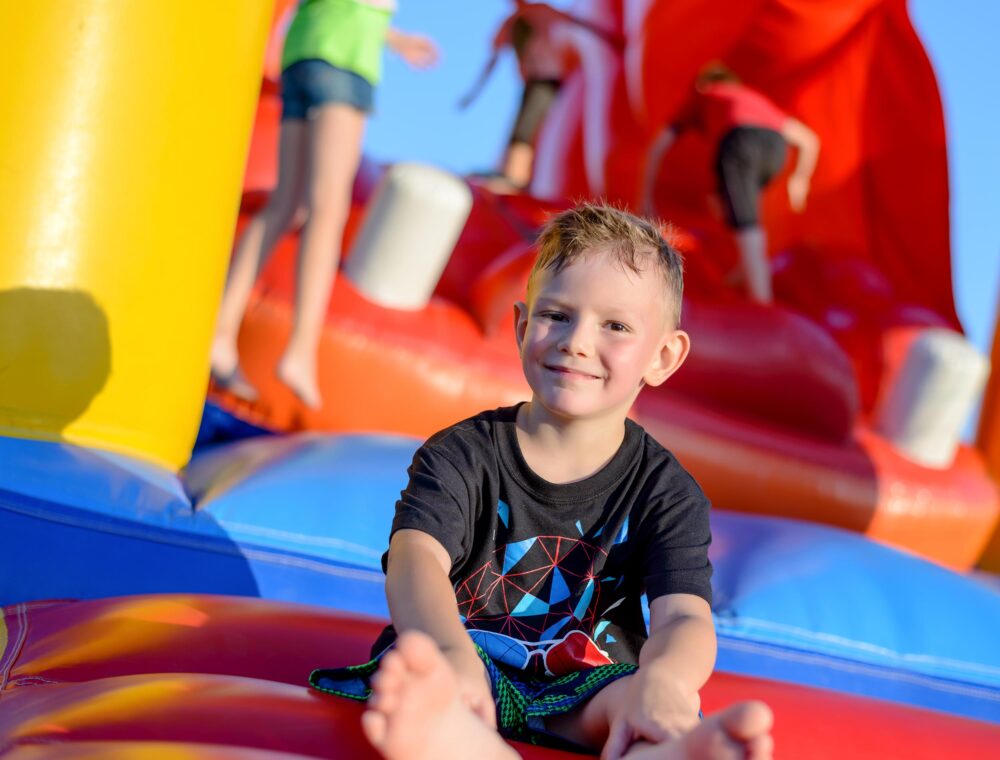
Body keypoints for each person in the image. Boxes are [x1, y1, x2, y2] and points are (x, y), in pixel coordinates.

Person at [310, 202, 774, 759]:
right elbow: (416, 559)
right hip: (466, 658)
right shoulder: (464, 453)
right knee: (423, 682)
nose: (577, 341)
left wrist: (668, 681)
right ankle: (460, 739)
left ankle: (663, 750)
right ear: (522, 325)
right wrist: (450, 655)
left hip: (585, 692)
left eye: (616, 326)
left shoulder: (666, 492)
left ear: (664, 356)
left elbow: (683, 615)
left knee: (633, 700)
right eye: (557, 315)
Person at [210, 0, 438, 409]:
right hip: (344, 62)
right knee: (327, 211)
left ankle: (222, 332)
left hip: (304, 53)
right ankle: (300, 350)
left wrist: (397, 39)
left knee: (287, 204)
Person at [640, 65, 820, 304]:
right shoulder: (753, 99)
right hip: (777, 150)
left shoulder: (704, 94)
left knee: (747, 224)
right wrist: (799, 181)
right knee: (724, 199)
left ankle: (763, 304)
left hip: (739, 141)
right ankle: (744, 267)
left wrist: (645, 198)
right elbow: (809, 141)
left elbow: (659, 146)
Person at [460, 2, 619, 193]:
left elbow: (579, 23)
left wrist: (611, 39)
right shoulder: (514, 22)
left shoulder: (541, 12)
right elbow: (492, 60)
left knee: (528, 128)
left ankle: (515, 177)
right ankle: (514, 175)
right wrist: (472, 93)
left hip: (550, 79)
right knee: (524, 127)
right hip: (536, 80)